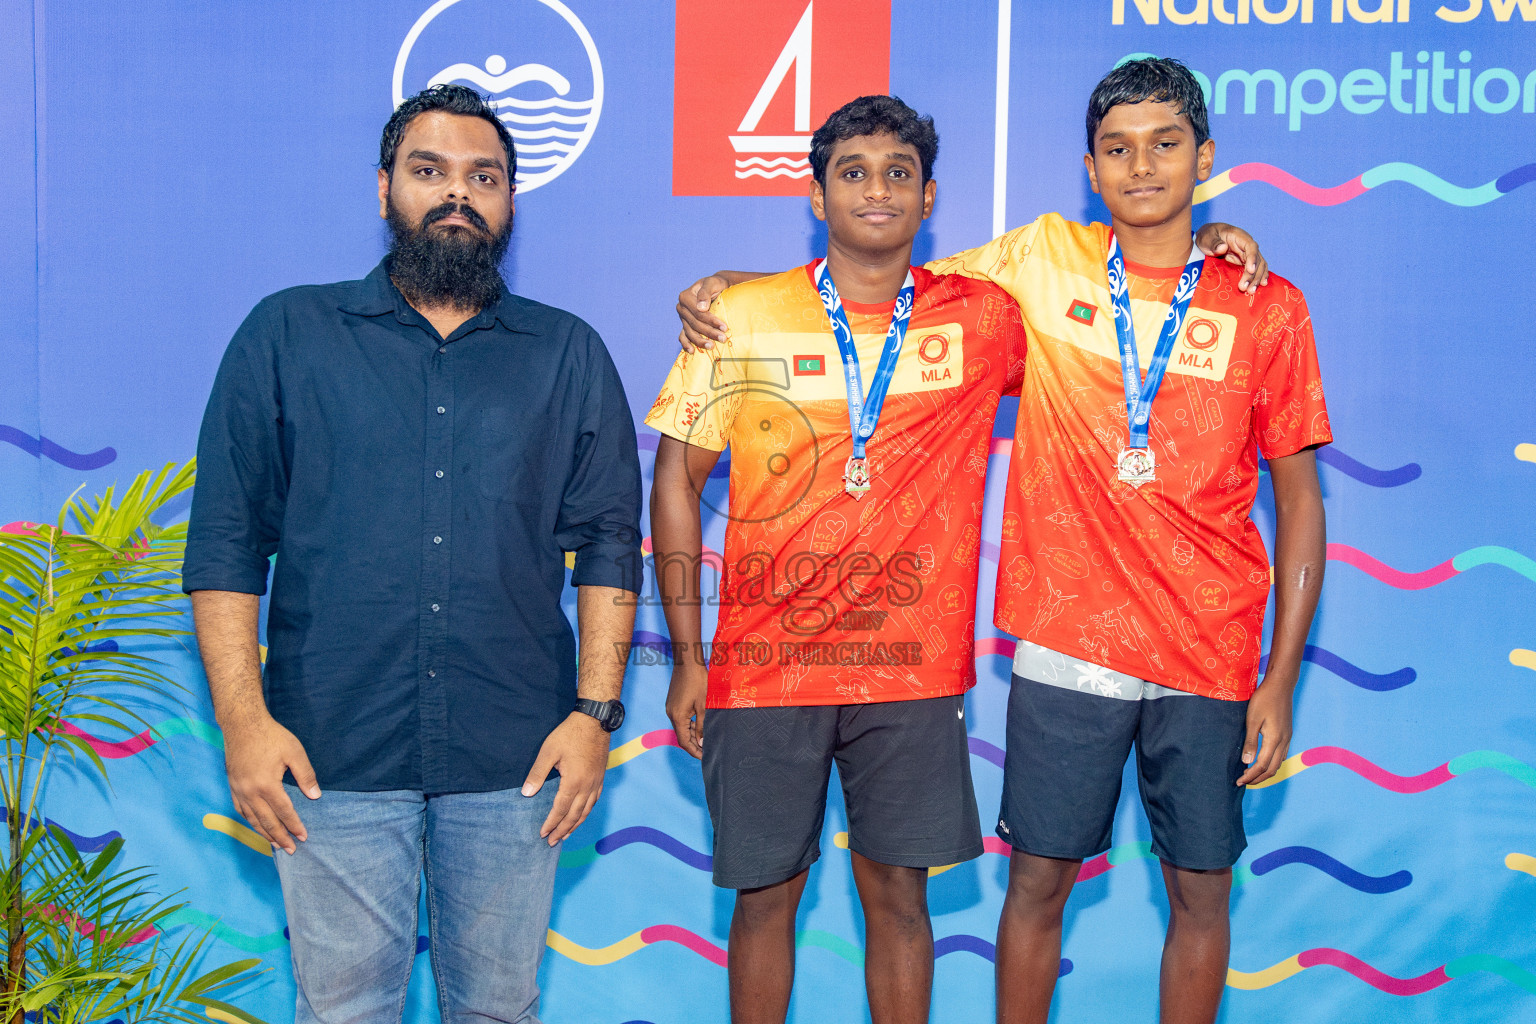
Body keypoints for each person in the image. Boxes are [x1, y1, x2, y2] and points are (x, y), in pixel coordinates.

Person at [650, 94, 1263, 1024]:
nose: (877, 190)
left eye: (898, 173)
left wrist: (1210, 240)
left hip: (910, 675)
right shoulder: (741, 317)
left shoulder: (984, 318)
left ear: (930, 195)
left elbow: (1121, 315)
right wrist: (689, 656)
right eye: (851, 173)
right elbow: (672, 482)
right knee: (763, 901)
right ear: (816, 195)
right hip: (761, 671)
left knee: (900, 902)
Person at [184, 84, 641, 1024]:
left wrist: (595, 714)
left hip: (517, 757)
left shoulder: (567, 353)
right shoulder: (287, 335)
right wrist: (243, 722)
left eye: (485, 177)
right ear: (384, 187)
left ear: (511, 202)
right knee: (343, 1011)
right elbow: (228, 543)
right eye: (429, 171)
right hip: (328, 752)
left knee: (499, 1012)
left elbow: (607, 545)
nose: (457, 195)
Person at [925, 58, 1329, 1024]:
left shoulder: (1266, 302)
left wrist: (1280, 679)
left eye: (1165, 144)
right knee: (1036, 887)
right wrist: (742, 286)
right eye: (1118, 148)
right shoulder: (1040, 262)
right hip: (1072, 640)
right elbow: (883, 282)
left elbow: (1303, 502)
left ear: (1206, 158)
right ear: (1090, 169)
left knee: (1201, 893)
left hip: (1213, 652)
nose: (1142, 165)